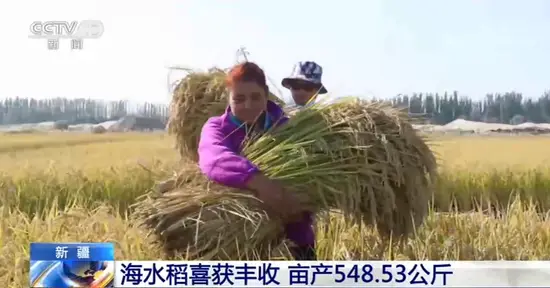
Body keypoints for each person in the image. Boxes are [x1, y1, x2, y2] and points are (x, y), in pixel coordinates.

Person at [197, 61, 317, 260]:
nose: (248, 106)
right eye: (239, 99)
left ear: (266, 94)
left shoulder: (288, 129)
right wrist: (257, 181)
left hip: (294, 239)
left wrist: (302, 203)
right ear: (229, 98)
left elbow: (311, 172)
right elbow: (214, 158)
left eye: (255, 97)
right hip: (241, 241)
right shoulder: (216, 127)